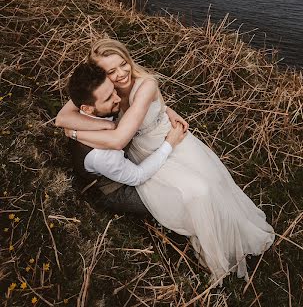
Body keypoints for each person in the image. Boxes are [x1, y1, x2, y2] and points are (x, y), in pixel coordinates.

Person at [56, 38, 275, 283]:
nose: (120, 74)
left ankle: (235, 237)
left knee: (213, 186)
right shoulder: (103, 89)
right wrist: (85, 126)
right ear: (100, 75)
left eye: (123, 64)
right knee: (195, 194)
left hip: (171, 142)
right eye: (110, 71)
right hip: (145, 154)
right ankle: (212, 246)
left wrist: (76, 132)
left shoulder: (145, 85)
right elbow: (62, 117)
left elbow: (117, 138)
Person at [64, 62, 187, 215]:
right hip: (116, 188)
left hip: (128, 155)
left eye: (113, 91)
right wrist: (170, 143)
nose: (117, 98)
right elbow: (138, 176)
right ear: (87, 109)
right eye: (109, 98)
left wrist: (164, 110)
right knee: (177, 202)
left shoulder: (95, 107)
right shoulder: (100, 155)